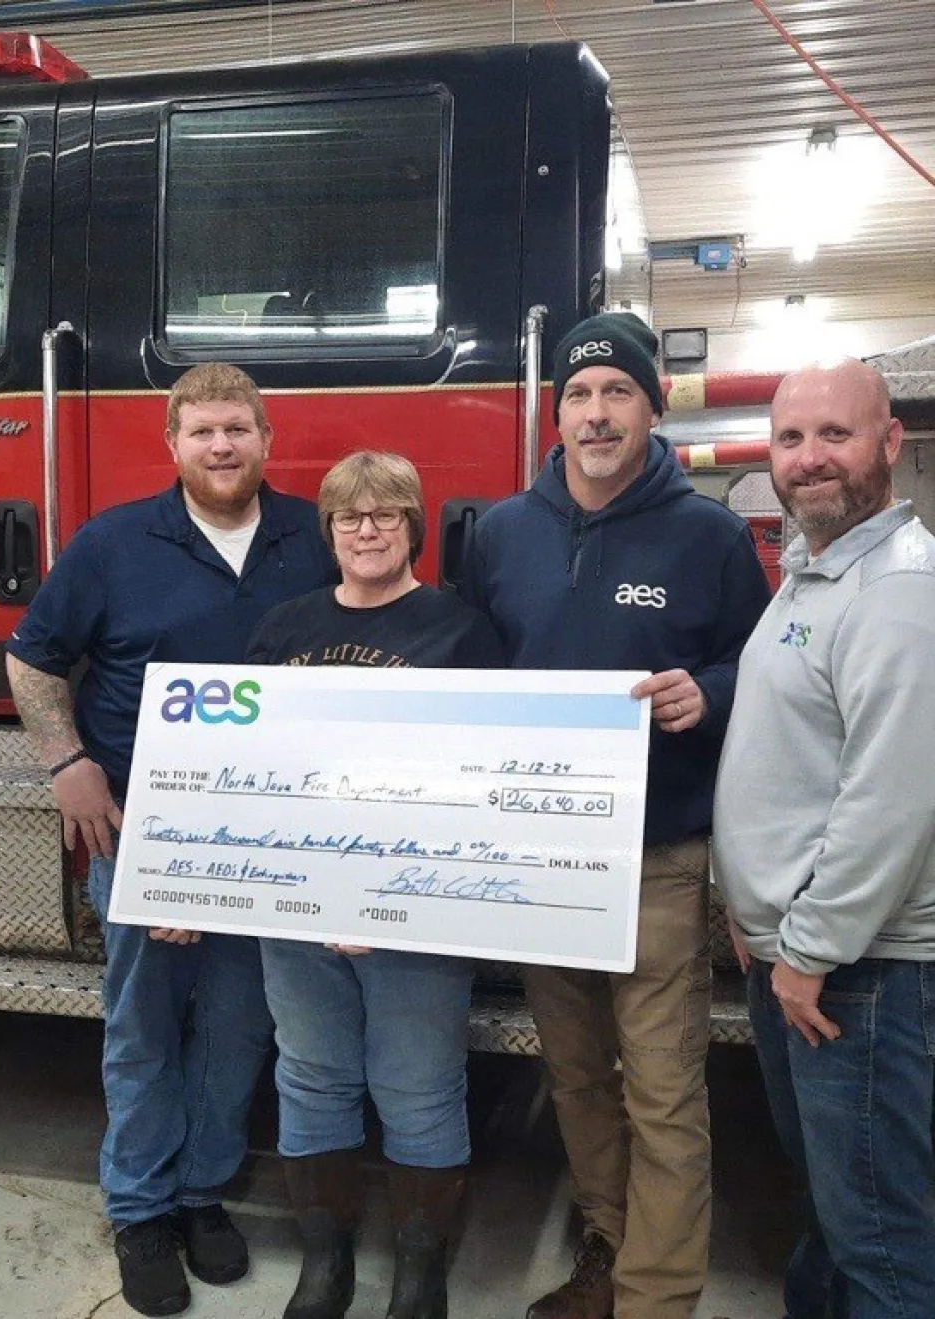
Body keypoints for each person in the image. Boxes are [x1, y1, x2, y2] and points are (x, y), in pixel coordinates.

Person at [5, 363, 335, 1318]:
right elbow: (31, 658)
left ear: (268, 439)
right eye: (203, 432)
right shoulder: (114, 543)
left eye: (238, 429)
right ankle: (140, 1208)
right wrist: (67, 760)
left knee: (240, 1024)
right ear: (173, 445)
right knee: (144, 1025)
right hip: (146, 831)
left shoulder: (309, 538)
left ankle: (202, 1192)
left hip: (268, 836)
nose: (222, 447)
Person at [459, 312, 771, 1319]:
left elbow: (758, 671)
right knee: (577, 1076)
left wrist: (709, 693)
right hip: (541, 855)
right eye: (578, 396)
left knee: (665, 1091)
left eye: (616, 393)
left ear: (651, 405)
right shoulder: (503, 532)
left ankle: (654, 1295)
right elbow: (473, 675)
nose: (595, 414)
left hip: (653, 856)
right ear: (555, 413)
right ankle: (606, 1244)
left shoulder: (709, 535)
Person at [246, 450, 504, 1319]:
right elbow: (249, 771)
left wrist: (383, 894)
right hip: (297, 912)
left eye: (386, 514)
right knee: (312, 1076)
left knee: (418, 1085)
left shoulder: (461, 632)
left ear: (413, 527)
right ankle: (327, 1266)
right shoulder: (282, 629)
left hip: (417, 912)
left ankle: (420, 1275)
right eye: (349, 517)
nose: (367, 530)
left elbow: (481, 783)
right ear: (328, 531)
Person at [713, 359, 935, 1319]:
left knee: (883, 1242)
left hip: (861, 974)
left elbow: (891, 797)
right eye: (792, 440)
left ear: (890, 443)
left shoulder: (898, 592)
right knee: (839, 1216)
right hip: (802, 961)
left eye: (835, 435)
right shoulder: (814, 575)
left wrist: (804, 949)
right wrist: (751, 913)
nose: (810, 461)